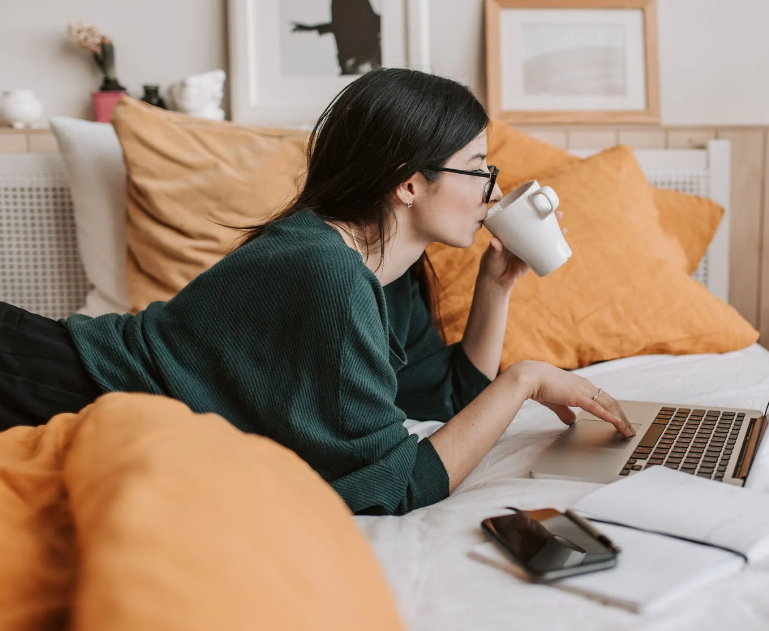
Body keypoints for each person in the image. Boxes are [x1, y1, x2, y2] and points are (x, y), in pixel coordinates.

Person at [0, 68, 633, 515]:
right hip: (55, 384)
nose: (494, 191)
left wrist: (495, 290)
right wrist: (522, 380)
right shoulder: (325, 272)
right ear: (408, 184)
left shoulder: (389, 268)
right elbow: (400, 486)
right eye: (479, 168)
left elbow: (444, 402)